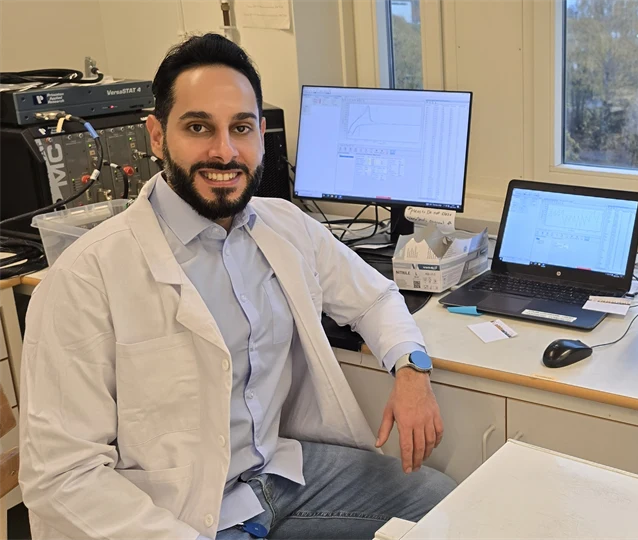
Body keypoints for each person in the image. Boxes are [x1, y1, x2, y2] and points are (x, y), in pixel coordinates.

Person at [19, 33, 455, 540]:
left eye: (240, 128)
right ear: (157, 136)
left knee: (443, 506)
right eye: (199, 127)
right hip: (172, 516)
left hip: (279, 477)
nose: (224, 152)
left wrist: (411, 368)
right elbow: (62, 477)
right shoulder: (86, 277)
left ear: (260, 133)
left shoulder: (282, 225)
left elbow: (375, 297)